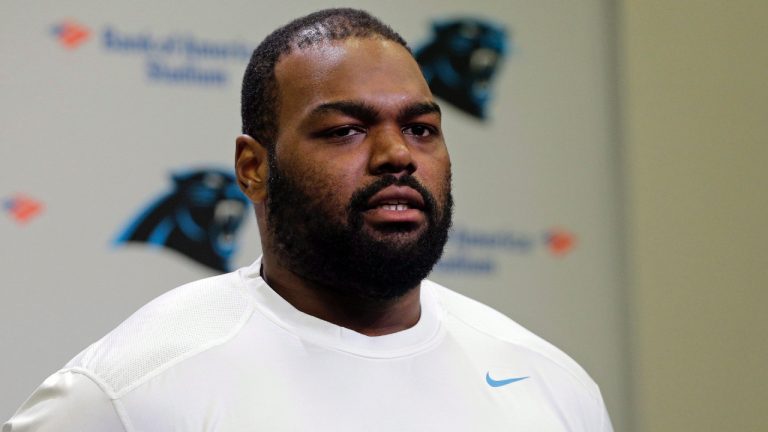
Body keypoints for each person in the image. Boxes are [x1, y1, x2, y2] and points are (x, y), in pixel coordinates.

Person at [4, 8, 613, 431]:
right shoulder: (126, 398)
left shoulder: (552, 384)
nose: (398, 155)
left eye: (420, 128)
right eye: (346, 130)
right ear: (253, 168)